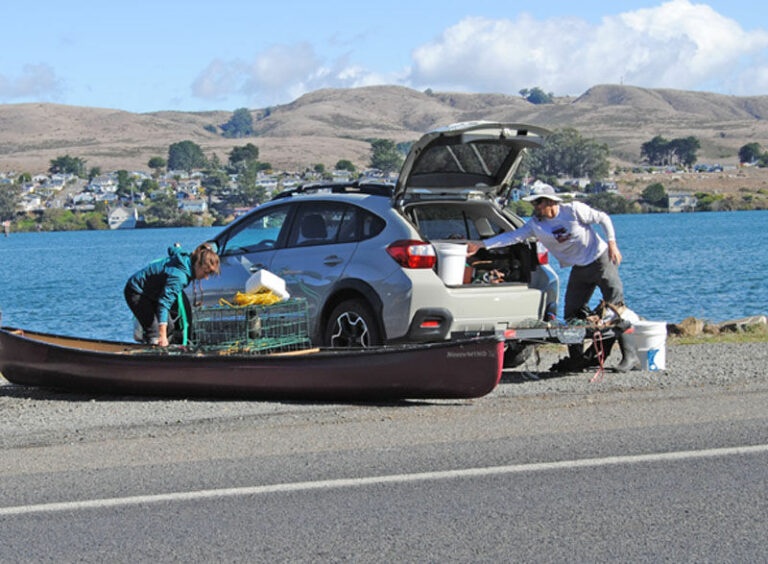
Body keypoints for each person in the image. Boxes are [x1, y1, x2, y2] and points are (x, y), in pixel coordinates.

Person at [467, 182, 639, 372]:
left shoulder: (573, 210)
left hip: (600, 260)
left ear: (550, 201)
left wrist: (612, 243)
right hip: (579, 268)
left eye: (538, 202)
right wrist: (481, 245)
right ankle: (577, 359)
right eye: (533, 203)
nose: (535, 207)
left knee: (616, 307)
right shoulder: (536, 225)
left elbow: (603, 218)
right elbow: (513, 237)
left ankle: (629, 357)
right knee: (572, 314)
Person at [124, 243, 220, 347]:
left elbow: (172, 250)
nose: (206, 277)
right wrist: (162, 335)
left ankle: (162, 350)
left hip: (153, 293)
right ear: (198, 264)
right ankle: (152, 356)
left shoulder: (186, 257)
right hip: (136, 291)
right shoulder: (179, 277)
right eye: (206, 272)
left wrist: (177, 247)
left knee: (169, 327)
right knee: (154, 332)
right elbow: (164, 304)